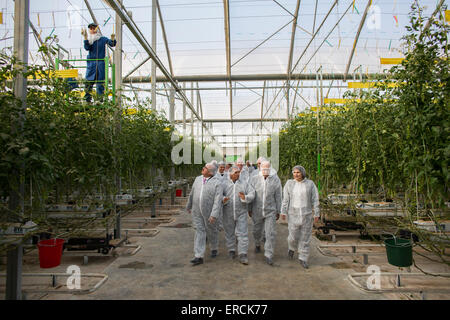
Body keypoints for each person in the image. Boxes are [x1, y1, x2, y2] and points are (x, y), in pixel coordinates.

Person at [280, 165, 320, 269]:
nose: (296, 174)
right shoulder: (289, 184)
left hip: (306, 214)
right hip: (293, 214)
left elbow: (315, 199)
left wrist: (316, 213)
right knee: (292, 237)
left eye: (298, 172)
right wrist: (283, 211)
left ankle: (303, 258)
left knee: (305, 238)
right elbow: (286, 199)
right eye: (294, 172)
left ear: (302, 173)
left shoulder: (310, 184)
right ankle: (291, 248)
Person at [186, 163, 223, 265]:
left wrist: (214, 214)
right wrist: (189, 205)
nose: (203, 168)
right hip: (197, 211)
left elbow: (218, 200)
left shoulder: (217, 183)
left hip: (209, 212)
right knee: (199, 231)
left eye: (205, 168)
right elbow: (192, 193)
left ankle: (214, 247)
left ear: (210, 172)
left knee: (212, 231)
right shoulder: (198, 179)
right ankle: (199, 256)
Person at [248, 160, 282, 265]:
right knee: (256, 230)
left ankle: (269, 254)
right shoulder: (254, 179)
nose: (265, 171)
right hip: (257, 209)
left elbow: (278, 195)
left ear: (270, 168)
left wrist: (278, 210)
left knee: (270, 233)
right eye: (263, 169)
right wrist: (249, 208)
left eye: (267, 169)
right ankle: (257, 243)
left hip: (270, 210)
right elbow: (251, 193)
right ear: (260, 168)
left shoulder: (275, 179)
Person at [222, 166, 255, 265]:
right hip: (228, 212)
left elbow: (252, 193)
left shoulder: (244, 183)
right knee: (229, 232)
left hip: (241, 212)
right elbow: (218, 195)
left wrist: (245, 197)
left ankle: (243, 254)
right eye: (236, 172)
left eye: (238, 172)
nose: (238, 174)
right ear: (231, 174)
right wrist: (223, 199)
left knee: (243, 233)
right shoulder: (224, 184)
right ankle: (231, 249)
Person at [81, 23, 117, 102]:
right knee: (88, 82)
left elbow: (112, 43)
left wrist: (113, 39)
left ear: (97, 29)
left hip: (100, 63)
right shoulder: (89, 40)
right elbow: (87, 48)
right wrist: (85, 37)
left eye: (94, 28)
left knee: (100, 82)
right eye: (91, 28)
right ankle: (87, 100)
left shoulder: (102, 39)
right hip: (91, 63)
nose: (92, 30)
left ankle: (99, 100)